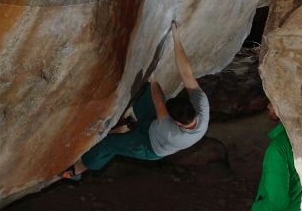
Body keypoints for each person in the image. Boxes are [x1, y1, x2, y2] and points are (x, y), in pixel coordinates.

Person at [61, 21, 209, 180]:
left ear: (177, 123)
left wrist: (153, 79)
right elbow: (186, 74)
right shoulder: (201, 105)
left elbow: (159, 101)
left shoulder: (173, 134)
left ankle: (78, 170)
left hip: (148, 145)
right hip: (155, 122)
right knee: (142, 90)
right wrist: (177, 37)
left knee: (108, 145)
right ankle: (130, 124)